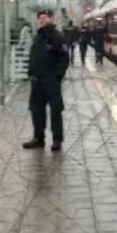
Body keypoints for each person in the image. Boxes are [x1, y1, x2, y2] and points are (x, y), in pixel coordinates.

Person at [23, 9, 70, 151]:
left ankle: (57, 140)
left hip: (51, 80)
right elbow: (33, 56)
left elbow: (64, 58)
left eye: (44, 17)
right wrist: (30, 72)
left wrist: (58, 76)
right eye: (40, 18)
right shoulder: (37, 37)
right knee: (36, 110)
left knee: (55, 110)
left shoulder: (58, 36)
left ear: (50, 18)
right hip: (37, 80)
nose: (42, 20)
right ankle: (38, 138)